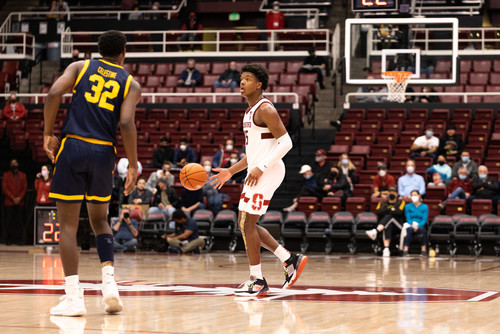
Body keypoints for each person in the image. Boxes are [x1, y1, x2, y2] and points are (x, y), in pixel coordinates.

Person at [43, 30, 141, 316]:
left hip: (73, 147)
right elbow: (125, 123)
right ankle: (110, 285)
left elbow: (52, 94)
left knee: (69, 227)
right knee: (100, 221)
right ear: (123, 52)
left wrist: (48, 133)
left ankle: (74, 297)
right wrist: (133, 164)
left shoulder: (79, 67)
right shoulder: (130, 83)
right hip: (103, 152)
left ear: (98, 49)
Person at [210, 64, 307, 296]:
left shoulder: (265, 109)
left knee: (246, 224)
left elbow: (286, 143)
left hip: (268, 170)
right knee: (245, 224)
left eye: (248, 79)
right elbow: (253, 153)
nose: (242, 82)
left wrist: (261, 167)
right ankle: (289, 259)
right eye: (241, 78)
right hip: (259, 168)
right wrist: (231, 171)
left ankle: (258, 280)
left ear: (259, 84)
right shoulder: (249, 111)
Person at [365, 186, 406, 257]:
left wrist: (387, 210)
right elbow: (378, 212)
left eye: (393, 192)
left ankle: (375, 231)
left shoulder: (401, 202)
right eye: (390, 192)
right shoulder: (382, 203)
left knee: (390, 216)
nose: (391, 194)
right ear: (387, 194)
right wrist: (391, 209)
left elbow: (399, 212)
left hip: (398, 225)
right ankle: (386, 249)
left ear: (396, 194)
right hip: (385, 225)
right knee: (387, 225)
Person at [2, 159, 27, 245]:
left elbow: (24, 188)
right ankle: (8, 239)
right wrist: (13, 198)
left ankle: (19, 239)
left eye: (15, 163)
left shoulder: (23, 175)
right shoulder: (6, 175)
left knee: (19, 222)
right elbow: (4, 188)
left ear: (18, 164)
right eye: (12, 163)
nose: (14, 164)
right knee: (8, 221)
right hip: (9, 202)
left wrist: (19, 198)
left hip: (20, 202)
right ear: (10, 165)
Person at [402, 190, 428, 256]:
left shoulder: (425, 207)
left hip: (420, 224)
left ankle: (423, 250)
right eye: (412, 195)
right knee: (410, 229)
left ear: (419, 196)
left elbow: (424, 219)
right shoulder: (407, 206)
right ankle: (405, 249)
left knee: (422, 230)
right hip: (411, 224)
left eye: (415, 195)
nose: (414, 197)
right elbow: (408, 218)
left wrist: (418, 225)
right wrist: (412, 225)